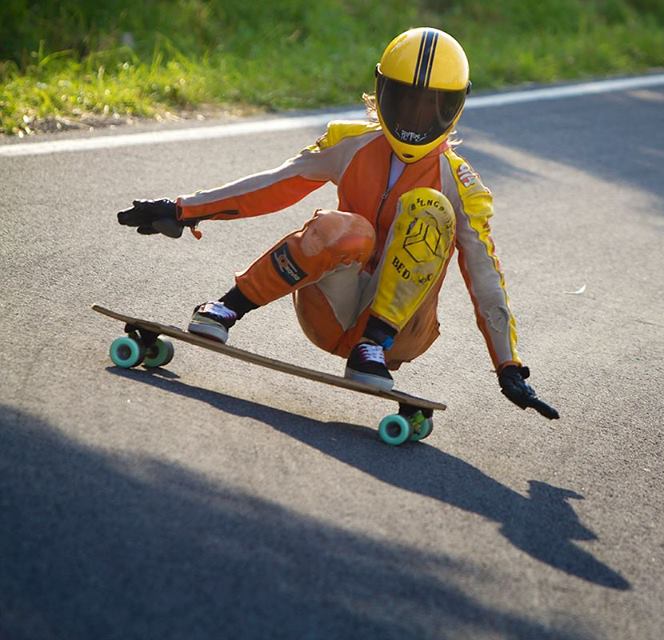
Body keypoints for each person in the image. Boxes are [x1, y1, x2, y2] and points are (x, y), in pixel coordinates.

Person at [117, 27, 558, 420]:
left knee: (430, 208)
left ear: (455, 106)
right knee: (344, 226)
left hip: (401, 335)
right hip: (329, 310)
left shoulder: (462, 185)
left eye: (431, 106)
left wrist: (508, 364)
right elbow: (275, 184)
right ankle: (228, 308)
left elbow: (485, 275)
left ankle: (373, 344)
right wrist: (182, 209)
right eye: (404, 100)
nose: (415, 118)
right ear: (382, 90)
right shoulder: (348, 144)